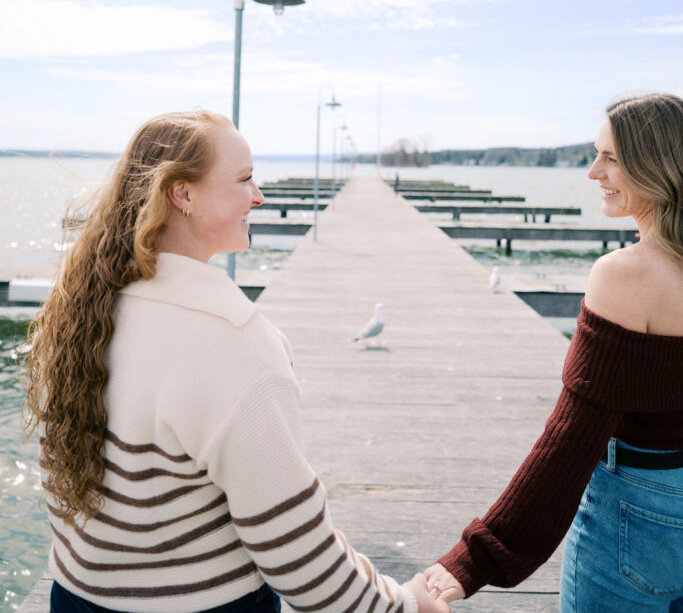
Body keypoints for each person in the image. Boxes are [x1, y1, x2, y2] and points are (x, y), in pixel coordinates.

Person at [23, 110, 449, 613]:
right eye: (245, 179)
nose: (259, 196)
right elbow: (301, 559)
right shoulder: (234, 342)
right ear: (182, 194)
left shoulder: (75, 310)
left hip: (74, 598)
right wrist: (406, 604)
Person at [424, 92, 683, 612]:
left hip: (644, 512)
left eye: (611, 157)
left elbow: (570, 441)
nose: (593, 172)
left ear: (656, 166)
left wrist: (471, 561)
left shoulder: (626, 274)